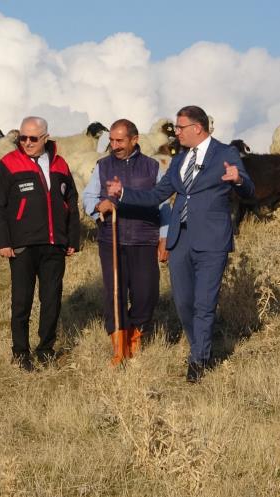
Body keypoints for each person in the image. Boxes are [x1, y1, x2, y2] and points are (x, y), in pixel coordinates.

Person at [98, 106, 254, 382]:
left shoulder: (226, 154)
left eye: (181, 128)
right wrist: (123, 193)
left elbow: (249, 189)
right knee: (184, 303)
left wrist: (238, 179)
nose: (176, 132)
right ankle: (200, 347)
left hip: (211, 240)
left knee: (204, 303)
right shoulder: (181, 159)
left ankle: (198, 360)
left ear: (198, 128)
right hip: (180, 240)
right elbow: (157, 194)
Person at [0, 116, 80, 371]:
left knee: (51, 299)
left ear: (45, 138)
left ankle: (45, 349)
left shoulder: (60, 165)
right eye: (22, 138)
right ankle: (20, 352)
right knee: (22, 300)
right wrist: (2, 241)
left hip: (54, 244)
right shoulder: (8, 165)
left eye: (32, 138)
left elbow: (70, 201)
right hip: (22, 245)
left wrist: (72, 238)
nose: (26, 143)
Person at [81, 118, 170, 366]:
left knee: (147, 294)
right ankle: (119, 348)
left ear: (135, 139)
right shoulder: (102, 166)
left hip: (144, 239)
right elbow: (87, 196)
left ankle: (135, 334)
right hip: (112, 239)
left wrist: (164, 237)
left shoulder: (153, 167)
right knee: (115, 293)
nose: (115, 145)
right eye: (111, 140)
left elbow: (164, 205)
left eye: (120, 140)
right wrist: (99, 205)